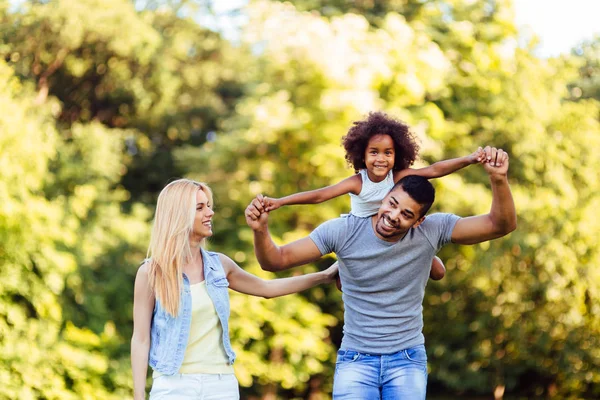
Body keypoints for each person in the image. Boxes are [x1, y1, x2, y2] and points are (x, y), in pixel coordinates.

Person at [245, 146, 516, 399]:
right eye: (392, 203)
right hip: (355, 360)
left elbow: (499, 225)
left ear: (419, 221)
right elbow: (275, 261)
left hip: (407, 360)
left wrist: (498, 180)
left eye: (406, 214)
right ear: (384, 196)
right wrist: (260, 230)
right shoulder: (344, 231)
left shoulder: (432, 230)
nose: (393, 215)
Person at [131, 179, 338, 400]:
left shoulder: (220, 265)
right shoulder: (151, 273)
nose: (210, 213)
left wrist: (324, 276)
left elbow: (267, 288)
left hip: (221, 385)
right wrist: (138, 396)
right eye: (200, 208)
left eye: (208, 205)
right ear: (178, 215)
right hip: (173, 386)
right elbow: (141, 340)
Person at [262, 112, 485, 281]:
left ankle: (422, 253)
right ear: (362, 155)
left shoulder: (397, 176)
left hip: (394, 226)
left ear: (397, 155)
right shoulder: (358, 182)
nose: (381, 159)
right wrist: (281, 201)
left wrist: (469, 159)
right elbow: (320, 195)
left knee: (438, 272)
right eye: (374, 152)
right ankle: (342, 270)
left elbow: (435, 170)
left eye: (388, 153)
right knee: (348, 275)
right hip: (362, 233)